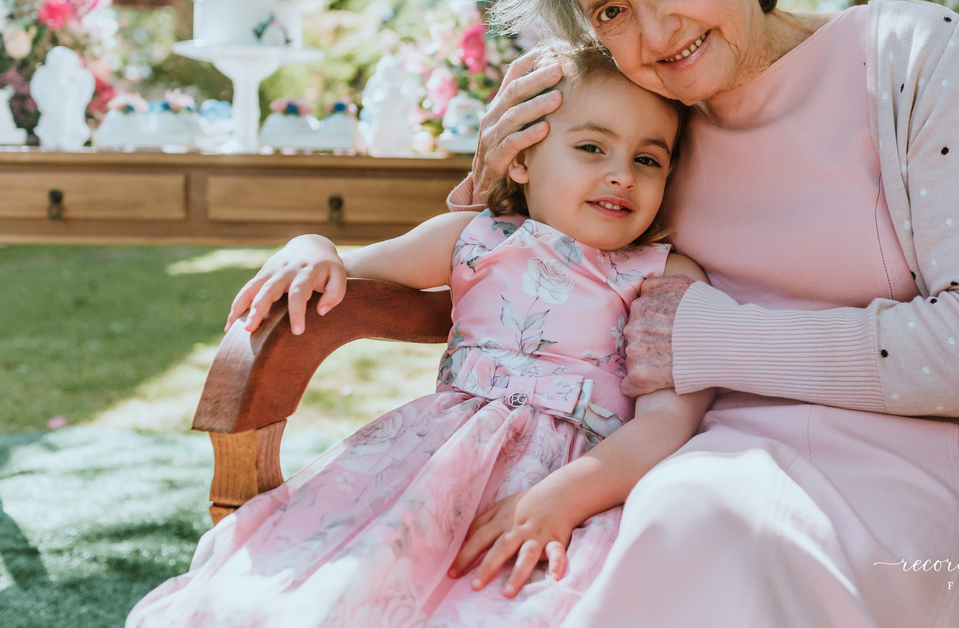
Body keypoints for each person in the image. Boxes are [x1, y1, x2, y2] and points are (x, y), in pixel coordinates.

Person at [448, 0, 959, 626]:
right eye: (612, 10)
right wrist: (492, 175)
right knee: (649, 540)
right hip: (699, 461)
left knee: (719, 535)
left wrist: (716, 341)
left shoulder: (905, 54)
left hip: (938, 467)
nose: (656, 34)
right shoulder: (646, 135)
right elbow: (533, 276)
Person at [125, 47, 714, 628]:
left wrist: (561, 500)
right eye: (591, 148)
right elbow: (349, 264)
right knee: (354, 583)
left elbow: (667, 421)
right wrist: (309, 245)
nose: (622, 174)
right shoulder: (477, 236)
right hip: (439, 464)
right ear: (522, 160)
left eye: (648, 159)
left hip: (583, 482)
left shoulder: (664, 276)